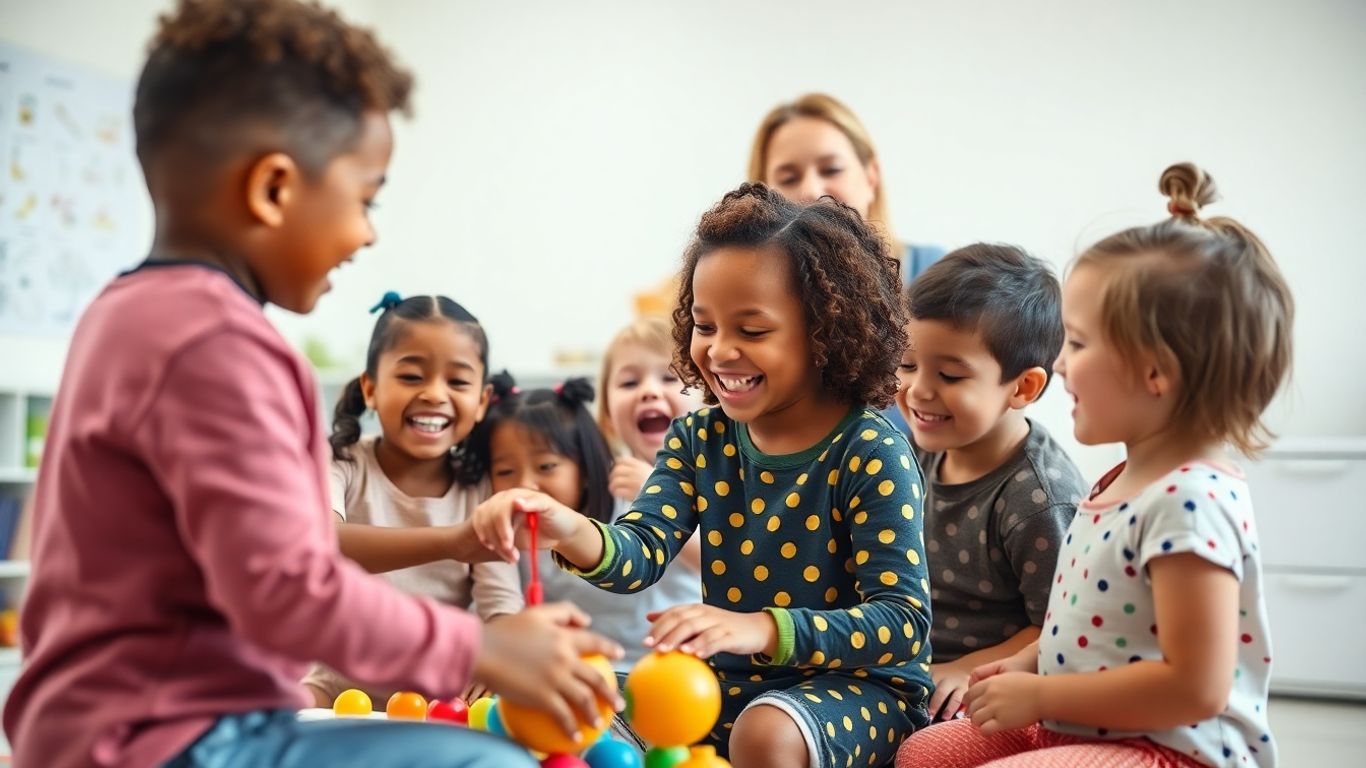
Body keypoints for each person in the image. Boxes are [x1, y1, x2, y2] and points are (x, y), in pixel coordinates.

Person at [1, 2, 620, 765]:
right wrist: (483, 652)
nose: (368, 233)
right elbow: (290, 588)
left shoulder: (124, 314)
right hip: (163, 737)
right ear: (273, 189)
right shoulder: (219, 344)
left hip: (109, 724)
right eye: (366, 197)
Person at [475, 184, 934, 768]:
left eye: (753, 330)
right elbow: (638, 552)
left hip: (861, 692)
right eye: (705, 324)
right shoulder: (699, 437)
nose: (719, 351)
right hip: (727, 685)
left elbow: (901, 622)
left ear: (826, 333)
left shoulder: (870, 449)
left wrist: (758, 629)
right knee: (573, 700)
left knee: (765, 733)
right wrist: (565, 525)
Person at [897, 163, 1293, 767]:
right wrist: (1024, 665)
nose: (1060, 366)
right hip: (1075, 723)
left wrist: (1042, 693)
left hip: (1168, 751)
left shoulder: (1192, 503)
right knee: (924, 756)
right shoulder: (1119, 481)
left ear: (1155, 371)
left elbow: (1197, 687)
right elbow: (1084, 630)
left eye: (1077, 345)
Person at [302, 292, 523, 707]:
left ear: (481, 402)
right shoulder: (341, 462)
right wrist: (452, 540)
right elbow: (321, 544)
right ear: (370, 387)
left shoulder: (480, 489)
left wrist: (496, 659)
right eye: (411, 377)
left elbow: (501, 607)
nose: (434, 394)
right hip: (329, 683)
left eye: (457, 381)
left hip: (438, 694)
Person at [894, 245, 1086, 723]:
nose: (918, 390)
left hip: (980, 691)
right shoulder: (911, 452)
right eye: (908, 365)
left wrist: (965, 669)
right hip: (902, 667)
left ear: (1022, 388)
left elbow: (1060, 626)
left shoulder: (1039, 497)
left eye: (950, 375)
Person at [747, 93, 943, 286]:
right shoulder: (751, 290)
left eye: (832, 170)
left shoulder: (935, 273)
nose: (811, 191)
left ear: (871, 177)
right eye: (788, 179)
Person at [598, 315, 706, 579]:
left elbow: (725, 567)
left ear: (707, 403)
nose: (649, 391)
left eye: (670, 378)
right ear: (609, 418)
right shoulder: (604, 481)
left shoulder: (714, 479)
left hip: (694, 618)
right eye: (629, 383)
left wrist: (654, 496)